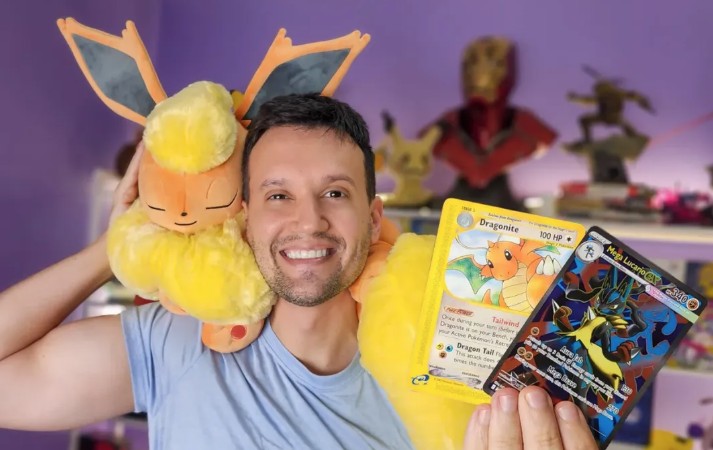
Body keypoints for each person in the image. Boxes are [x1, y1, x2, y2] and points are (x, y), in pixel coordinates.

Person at [0, 93, 597, 449]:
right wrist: (114, 247)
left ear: (374, 217)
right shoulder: (174, 343)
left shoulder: (442, 383)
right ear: (244, 218)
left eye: (335, 193)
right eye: (278, 196)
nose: (308, 221)